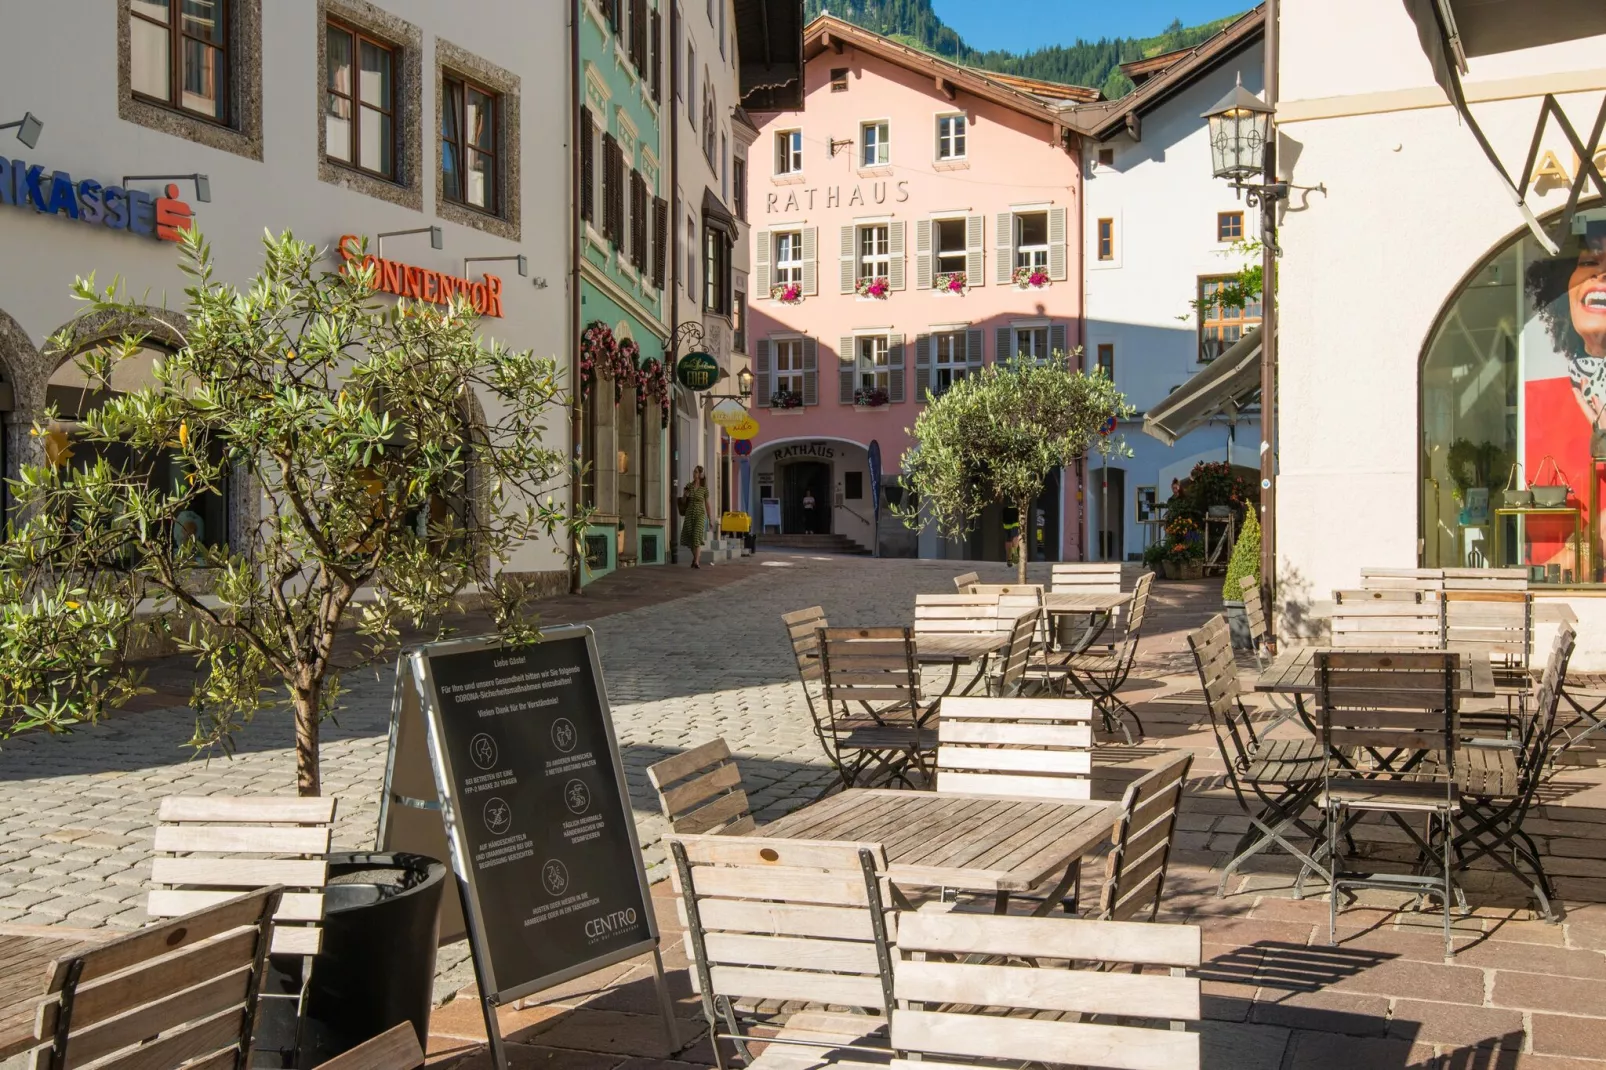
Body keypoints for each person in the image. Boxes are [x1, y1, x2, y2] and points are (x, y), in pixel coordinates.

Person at [679, 466, 709, 568]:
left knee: (697, 535)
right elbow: (683, 502)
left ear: (700, 475)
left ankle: (696, 561)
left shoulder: (704, 489)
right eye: (694, 472)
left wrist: (710, 518)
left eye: (696, 472)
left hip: (700, 514)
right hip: (689, 513)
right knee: (690, 538)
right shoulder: (689, 486)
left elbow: (707, 504)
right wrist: (685, 496)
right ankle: (695, 559)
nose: (694, 474)